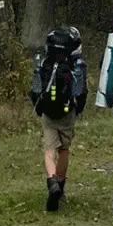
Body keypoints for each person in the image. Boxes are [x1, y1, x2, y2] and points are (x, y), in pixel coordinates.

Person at [29, 24, 87, 212]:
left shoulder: (44, 60)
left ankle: (51, 180)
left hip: (48, 111)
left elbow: (35, 87)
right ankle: (60, 188)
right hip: (67, 112)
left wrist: (38, 107)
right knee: (63, 149)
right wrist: (78, 109)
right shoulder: (76, 63)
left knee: (49, 149)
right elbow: (80, 91)